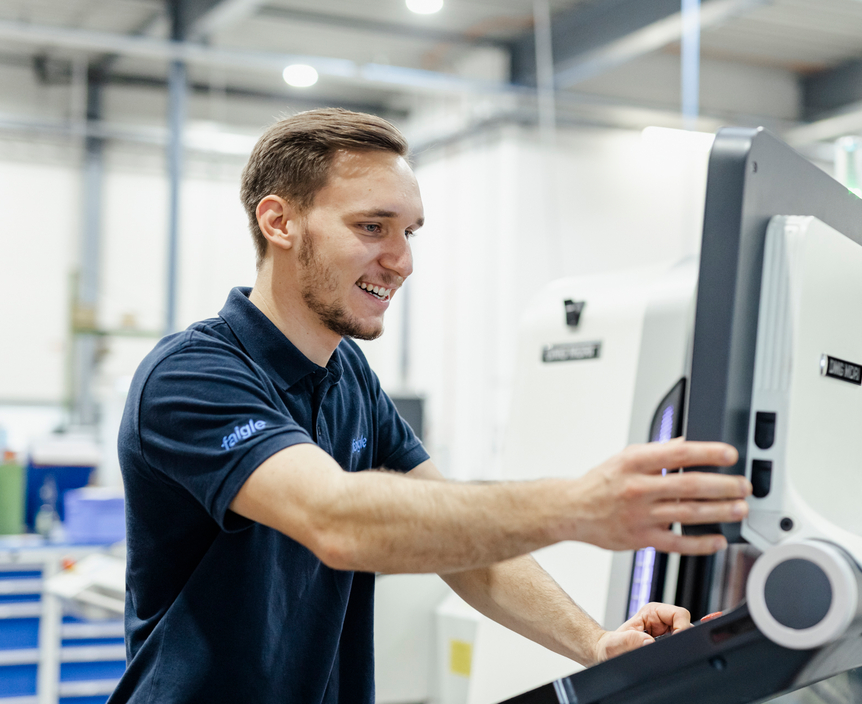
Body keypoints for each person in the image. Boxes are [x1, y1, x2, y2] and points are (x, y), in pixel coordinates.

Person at [111, 108, 750, 703]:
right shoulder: (192, 376)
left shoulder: (348, 376)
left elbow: (465, 551)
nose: (402, 261)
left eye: (409, 231)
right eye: (371, 226)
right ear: (280, 222)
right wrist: (577, 507)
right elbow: (338, 521)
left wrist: (596, 642)